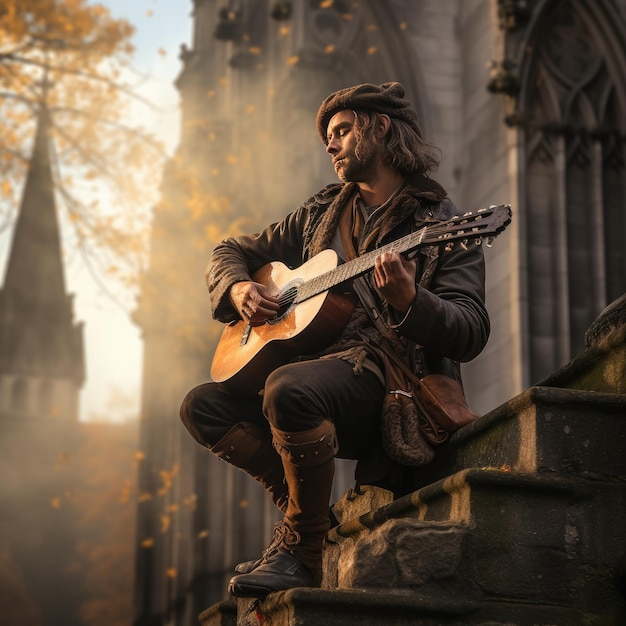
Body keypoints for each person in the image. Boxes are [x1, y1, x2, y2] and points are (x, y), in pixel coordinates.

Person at [179, 82, 490, 598]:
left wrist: (412, 301)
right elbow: (229, 249)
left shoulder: (439, 222)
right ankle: (306, 512)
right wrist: (238, 290)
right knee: (202, 406)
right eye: (329, 136)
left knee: (287, 387)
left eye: (342, 131)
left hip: (390, 383)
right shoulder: (317, 215)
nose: (330, 145)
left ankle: (302, 552)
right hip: (314, 374)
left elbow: (471, 329)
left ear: (380, 127)